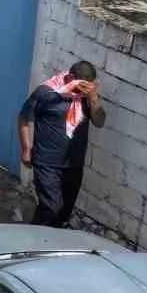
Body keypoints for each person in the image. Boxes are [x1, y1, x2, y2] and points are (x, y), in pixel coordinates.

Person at [18, 61, 105, 228]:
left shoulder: (87, 96)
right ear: (71, 78)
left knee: (64, 211)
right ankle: (30, 238)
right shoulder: (46, 93)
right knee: (51, 206)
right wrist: (26, 149)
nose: (84, 90)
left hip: (73, 163)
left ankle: (51, 243)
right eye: (81, 86)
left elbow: (99, 122)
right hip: (47, 162)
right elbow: (23, 118)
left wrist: (93, 99)